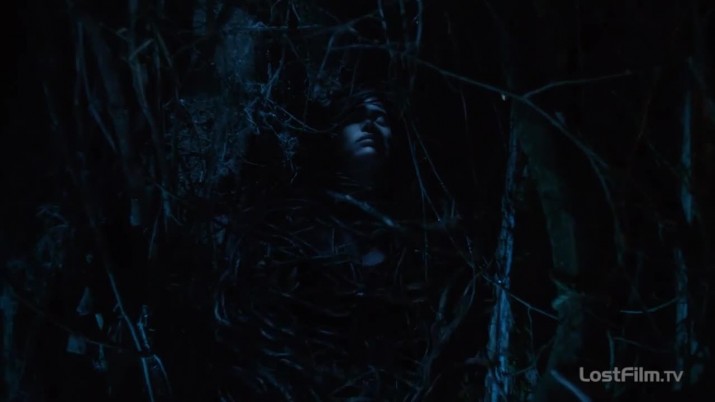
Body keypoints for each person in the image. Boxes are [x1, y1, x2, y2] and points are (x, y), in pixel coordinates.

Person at [213, 87, 431, 401]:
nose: (368, 125)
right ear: (333, 134)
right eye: (356, 116)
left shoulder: (407, 237)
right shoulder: (298, 218)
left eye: (380, 119)